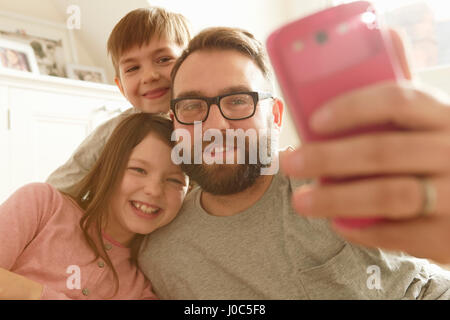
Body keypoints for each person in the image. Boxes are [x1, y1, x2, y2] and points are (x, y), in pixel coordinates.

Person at [138, 26, 450, 299]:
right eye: (192, 106)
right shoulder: (164, 255)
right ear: (175, 123)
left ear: (274, 117)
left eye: (238, 101)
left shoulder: (333, 179)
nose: (216, 126)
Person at [0, 113, 189, 299]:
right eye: (138, 170)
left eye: (174, 180)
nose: (154, 190)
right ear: (107, 169)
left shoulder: (141, 288)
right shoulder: (43, 205)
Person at [46, 7, 191, 194]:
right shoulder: (113, 131)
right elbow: (59, 187)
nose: (149, 76)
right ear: (121, 87)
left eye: (163, 59)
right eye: (132, 68)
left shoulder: (206, 122)